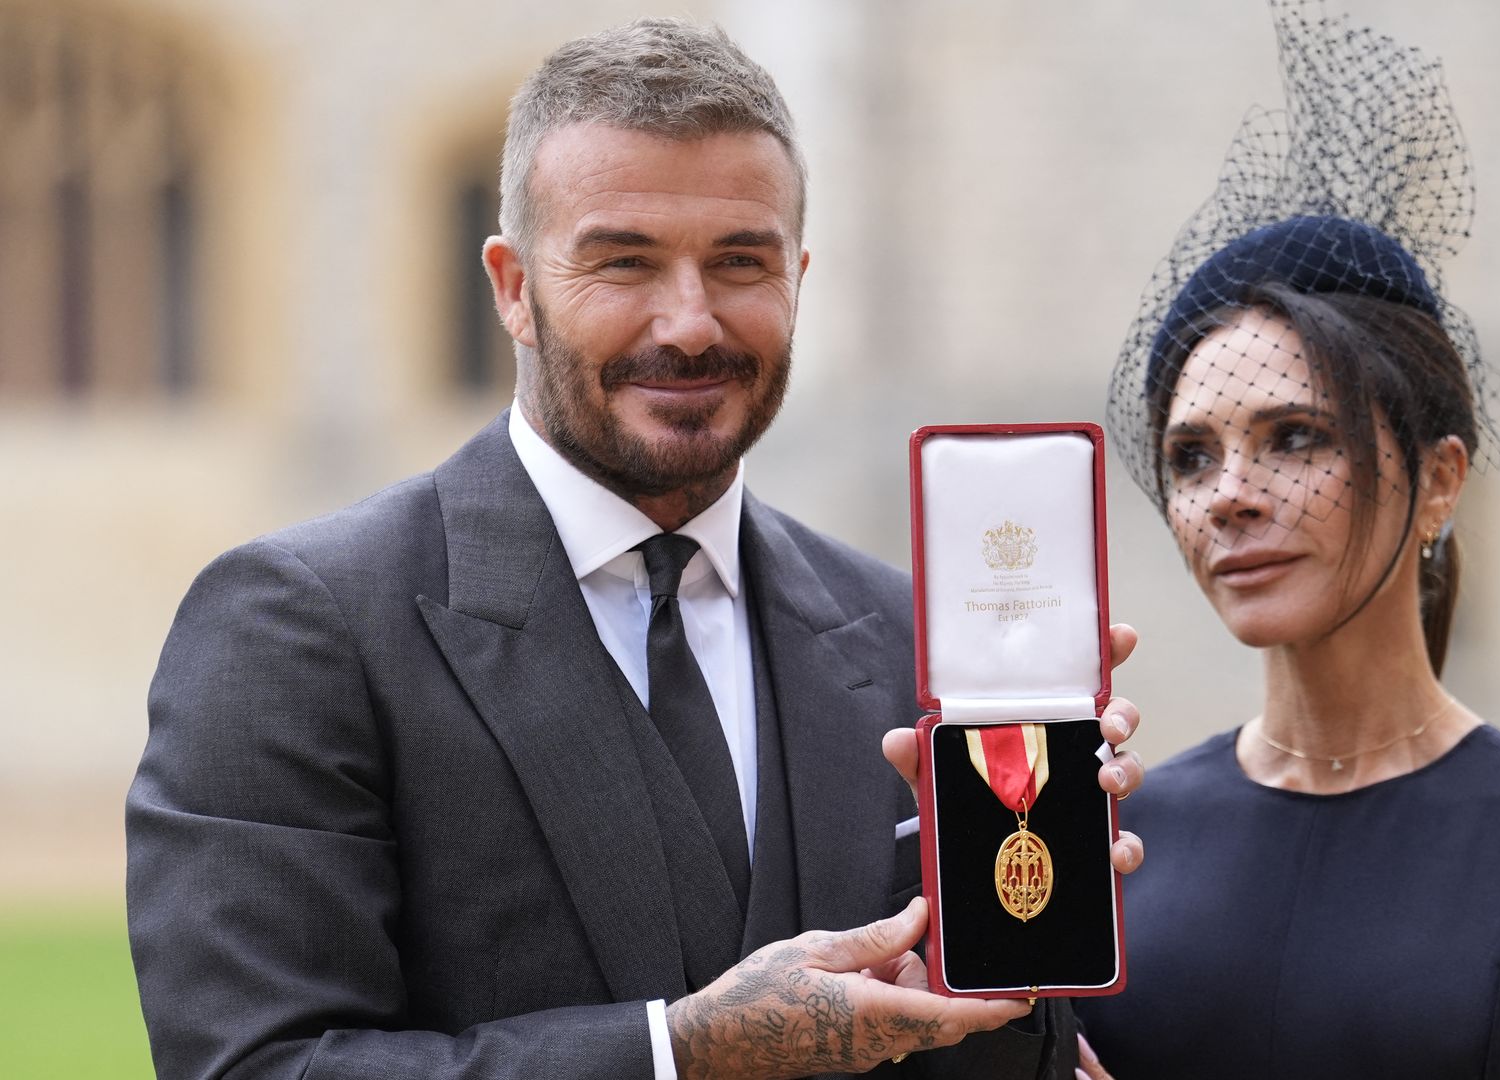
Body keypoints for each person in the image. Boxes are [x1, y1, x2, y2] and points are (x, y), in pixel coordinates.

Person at [125, 19, 1145, 1080]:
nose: (692, 322)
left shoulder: (905, 637)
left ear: (797, 275)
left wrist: (1029, 939)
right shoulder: (302, 626)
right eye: (625, 262)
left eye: (740, 263)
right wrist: (677, 1052)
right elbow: (252, 1065)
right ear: (513, 287)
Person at [1073, 4, 1500, 1079]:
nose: (1230, 494)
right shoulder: (1111, 849)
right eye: (1190, 457)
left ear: (1442, 478)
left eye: (1295, 437)